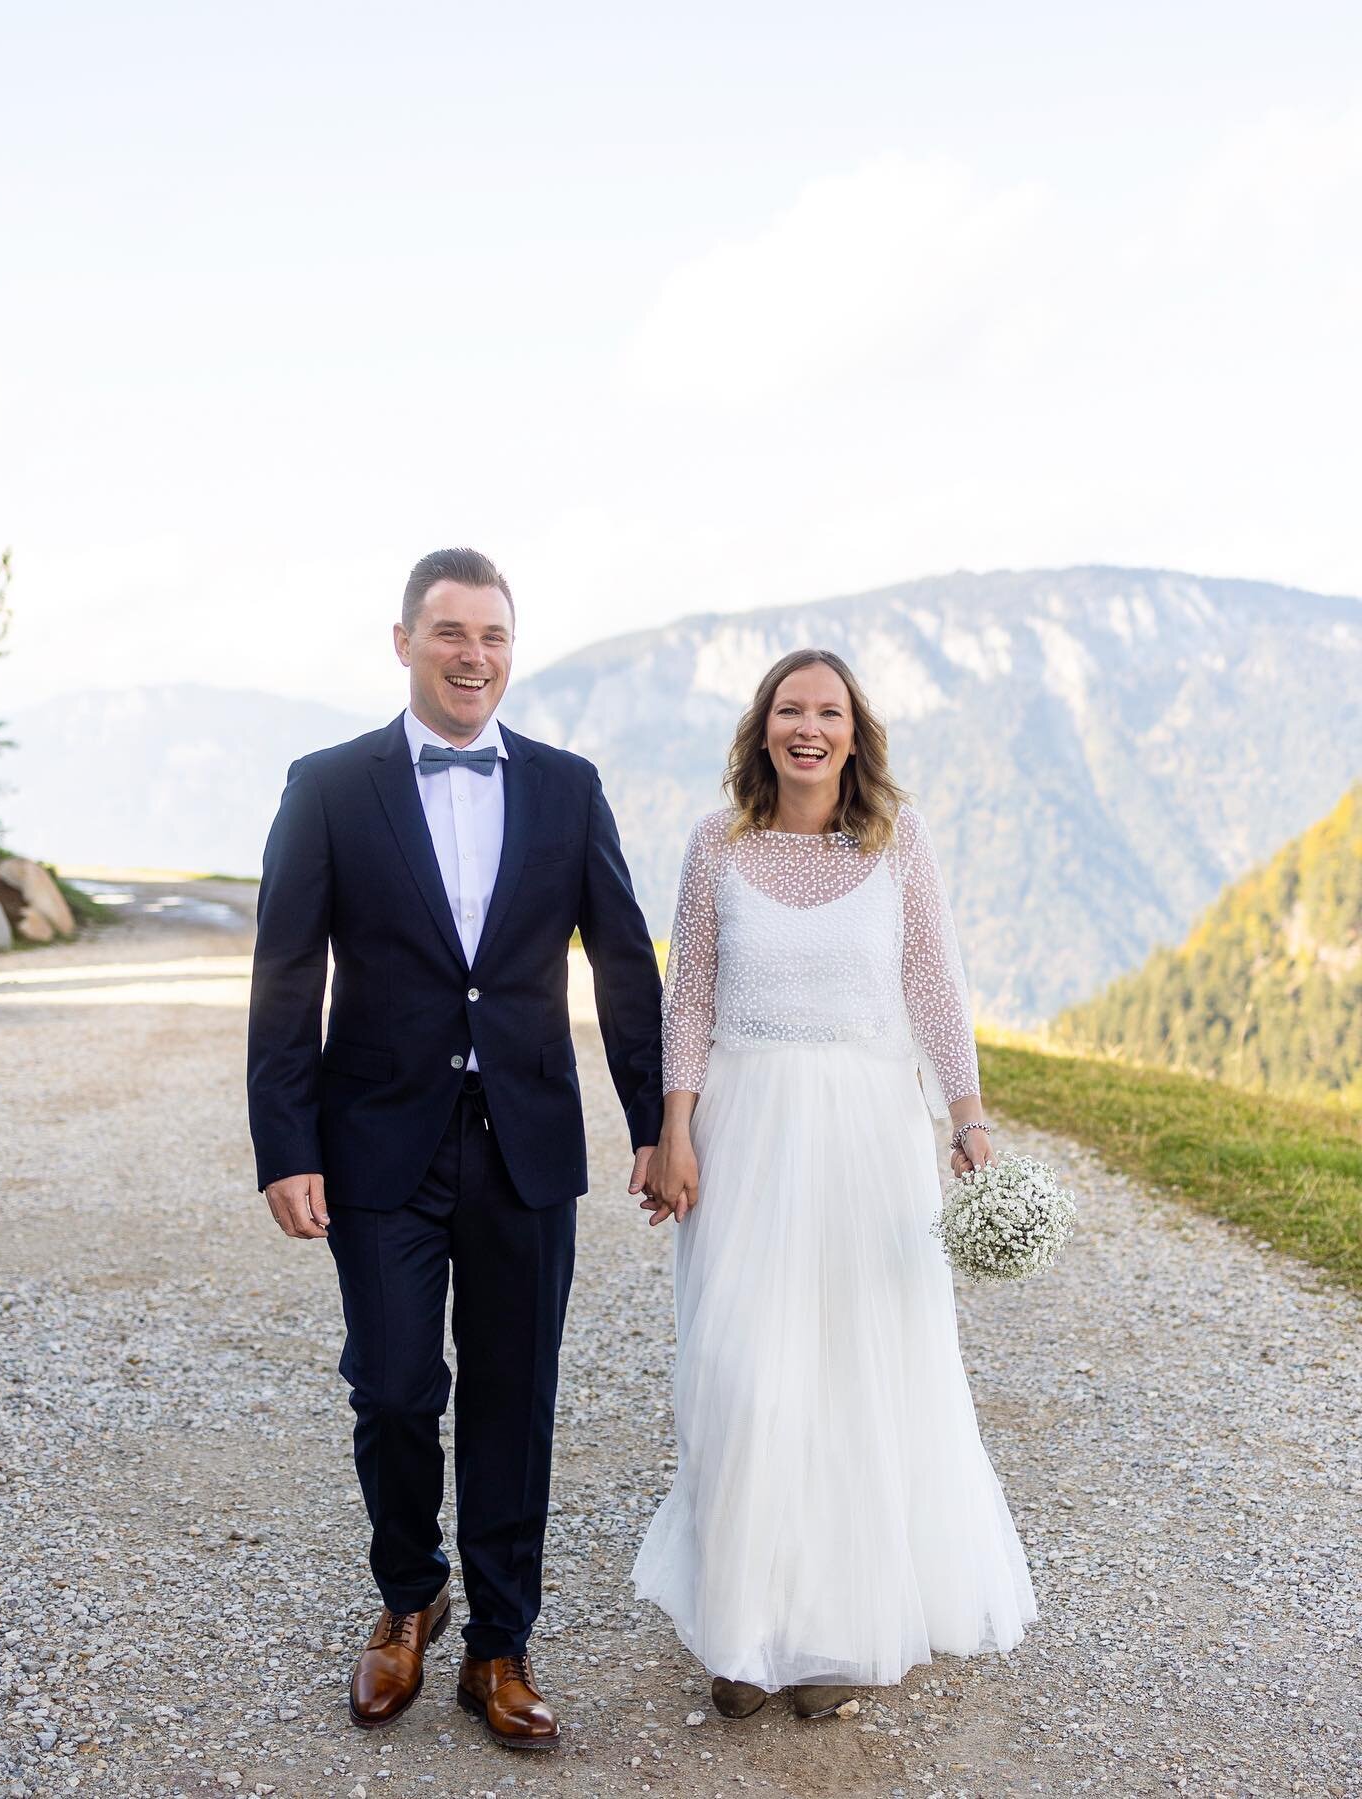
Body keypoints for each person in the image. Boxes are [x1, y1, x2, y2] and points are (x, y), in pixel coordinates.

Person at [247, 548, 663, 1748]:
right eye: (450, 634)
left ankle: (500, 1644)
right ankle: (409, 1590)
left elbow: (624, 962)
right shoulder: (328, 785)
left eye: (492, 635)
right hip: (378, 1140)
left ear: (510, 649)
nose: (473, 655)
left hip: (526, 1141)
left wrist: (651, 1118)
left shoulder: (569, 787)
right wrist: (285, 1141)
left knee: (514, 1396)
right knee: (390, 1388)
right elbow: (287, 975)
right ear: (403, 641)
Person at [632, 647, 1036, 1720]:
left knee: (856, 1374)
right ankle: (743, 1621)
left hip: (867, 1135)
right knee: (745, 1374)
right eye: (789, 707)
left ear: (856, 735)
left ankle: (840, 1635)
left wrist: (968, 1116)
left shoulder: (899, 844)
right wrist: (674, 1131)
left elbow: (935, 984)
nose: (808, 726)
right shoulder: (713, 843)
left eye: (830, 711)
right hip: (746, 1128)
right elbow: (690, 999)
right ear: (762, 726)